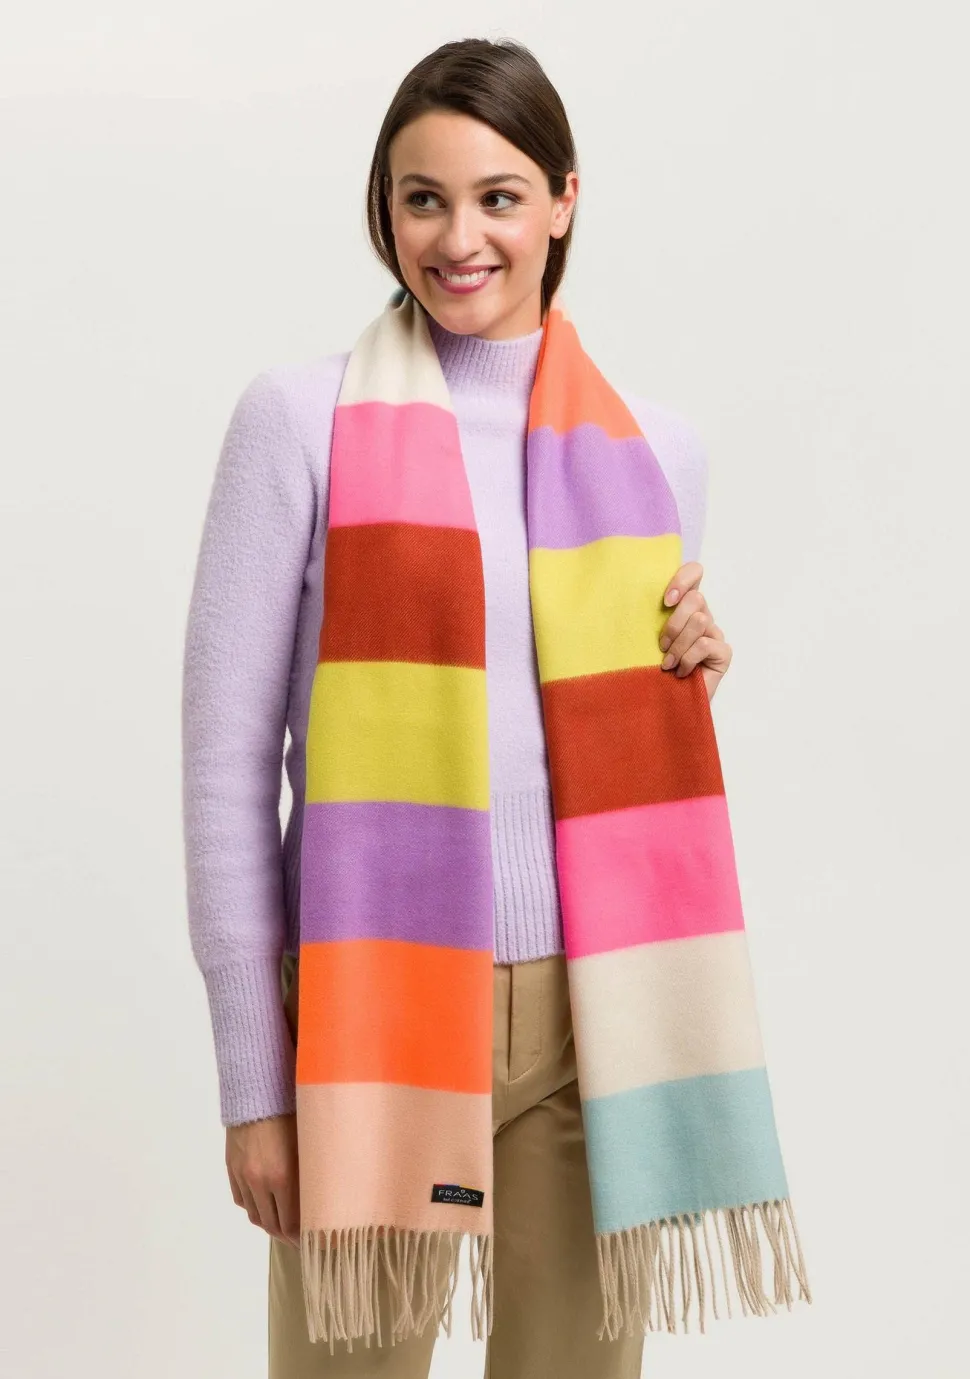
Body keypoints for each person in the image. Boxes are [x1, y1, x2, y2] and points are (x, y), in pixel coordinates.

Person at [182, 35, 733, 1379]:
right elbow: (222, 767)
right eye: (421, 198)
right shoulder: (298, 422)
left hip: (596, 1012)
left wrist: (696, 667)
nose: (458, 237)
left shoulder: (653, 451)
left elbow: (604, 740)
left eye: (498, 196)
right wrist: (255, 1086)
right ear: (383, 210)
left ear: (563, 200)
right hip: (367, 1009)